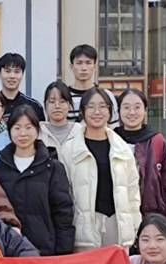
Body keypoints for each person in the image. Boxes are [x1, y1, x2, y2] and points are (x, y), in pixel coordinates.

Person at [60, 87, 141, 250]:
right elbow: (64, 194)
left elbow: (133, 193)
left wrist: (134, 225)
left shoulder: (123, 149)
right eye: (91, 106)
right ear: (82, 111)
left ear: (110, 112)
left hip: (117, 225)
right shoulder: (69, 149)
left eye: (103, 106)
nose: (97, 111)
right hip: (84, 229)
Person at [0, 105, 75, 255]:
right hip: (9, 250)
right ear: (9, 131)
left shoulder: (53, 168)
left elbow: (63, 213)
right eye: (17, 128)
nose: (23, 133)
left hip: (45, 250)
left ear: (37, 130)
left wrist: (63, 251)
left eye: (28, 127)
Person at [115, 88, 166, 225]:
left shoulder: (156, 141)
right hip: (118, 216)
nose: (132, 112)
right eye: (126, 107)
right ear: (119, 111)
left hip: (151, 216)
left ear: (145, 110)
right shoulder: (112, 140)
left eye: (137, 107)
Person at [66, 44, 119, 127]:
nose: (84, 68)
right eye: (79, 63)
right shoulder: (64, 97)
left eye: (88, 63)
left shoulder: (106, 95)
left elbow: (113, 127)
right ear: (71, 66)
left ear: (94, 66)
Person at [39, 80, 82, 159]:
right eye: (52, 102)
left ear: (69, 105)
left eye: (62, 101)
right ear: (45, 105)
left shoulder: (79, 131)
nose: (57, 106)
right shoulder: (38, 132)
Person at [0, 53, 45, 122]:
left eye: (17, 72)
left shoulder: (34, 106)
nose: (12, 76)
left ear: (22, 74)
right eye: (7, 71)